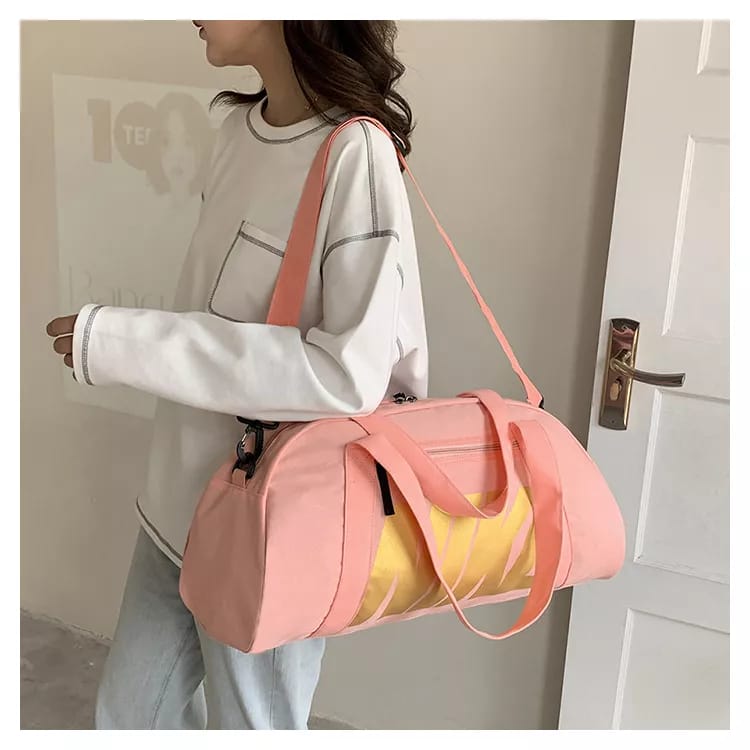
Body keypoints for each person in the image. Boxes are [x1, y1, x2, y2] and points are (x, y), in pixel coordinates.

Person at [46, 20, 429, 730]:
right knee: (125, 721)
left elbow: (349, 374)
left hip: (273, 529)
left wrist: (123, 343)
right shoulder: (235, 133)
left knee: (254, 727)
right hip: (176, 509)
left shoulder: (357, 154)